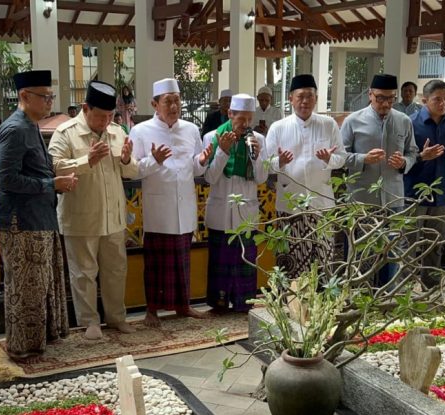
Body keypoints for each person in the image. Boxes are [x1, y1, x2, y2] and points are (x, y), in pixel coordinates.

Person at [0, 70, 76, 360]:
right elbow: (7, 180)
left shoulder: (31, 126)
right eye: (45, 96)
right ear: (24, 96)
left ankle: (40, 338)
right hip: (21, 222)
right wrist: (50, 184)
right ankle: (23, 346)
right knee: (26, 286)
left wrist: (56, 182)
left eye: (51, 96)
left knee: (42, 284)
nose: (49, 102)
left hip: (40, 217)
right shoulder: (14, 129)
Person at [49, 81, 139, 340]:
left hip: (114, 217)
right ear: (85, 108)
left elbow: (131, 171)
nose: (105, 121)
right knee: (84, 273)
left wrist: (125, 160)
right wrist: (87, 160)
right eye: (100, 116)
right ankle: (90, 321)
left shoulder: (116, 132)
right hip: (81, 217)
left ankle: (116, 317)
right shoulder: (65, 133)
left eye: (110, 116)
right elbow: (55, 167)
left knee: (116, 270)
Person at [128, 78, 213, 328]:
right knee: (156, 264)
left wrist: (203, 159)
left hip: (185, 204)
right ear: (155, 104)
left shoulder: (190, 129)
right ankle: (152, 310)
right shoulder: (140, 131)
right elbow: (133, 171)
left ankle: (183, 305)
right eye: (168, 102)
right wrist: (154, 160)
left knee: (182, 260)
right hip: (159, 208)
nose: (174, 106)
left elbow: (195, 168)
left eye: (177, 101)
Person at [342, 74, 419, 284]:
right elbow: (339, 156)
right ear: (370, 95)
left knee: (390, 251)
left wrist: (403, 162)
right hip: (362, 199)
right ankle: (358, 294)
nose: (385, 103)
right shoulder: (353, 120)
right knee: (361, 252)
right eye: (380, 98)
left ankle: (386, 296)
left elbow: (413, 153)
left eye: (390, 99)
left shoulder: (403, 121)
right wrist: (362, 159)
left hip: (393, 198)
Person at [267, 74, 346, 278]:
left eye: (309, 96)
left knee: (324, 259)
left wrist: (329, 159)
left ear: (316, 99)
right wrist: (281, 162)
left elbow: (342, 159)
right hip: (290, 207)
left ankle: (323, 307)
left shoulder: (328, 124)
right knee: (291, 261)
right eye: (300, 96)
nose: (305, 101)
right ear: (291, 98)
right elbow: (267, 166)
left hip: (322, 204)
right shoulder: (278, 127)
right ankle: (291, 307)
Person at [203, 94, 269, 313]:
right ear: (230, 114)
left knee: (245, 260)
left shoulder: (258, 139)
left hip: (246, 212)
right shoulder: (213, 137)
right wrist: (223, 151)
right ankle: (219, 303)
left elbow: (261, 178)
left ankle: (244, 302)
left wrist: (256, 156)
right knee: (220, 260)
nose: (246, 125)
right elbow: (210, 178)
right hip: (220, 211)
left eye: (249, 119)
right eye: (241, 119)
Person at [404, 79, 445, 289]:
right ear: (424, 100)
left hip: (442, 193)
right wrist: (422, 156)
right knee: (408, 244)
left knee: (436, 244)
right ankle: (403, 290)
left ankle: (431, 290)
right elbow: (402, 159)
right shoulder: (410, 123)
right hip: (413, 192)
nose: (443, 103)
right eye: (437, 99)